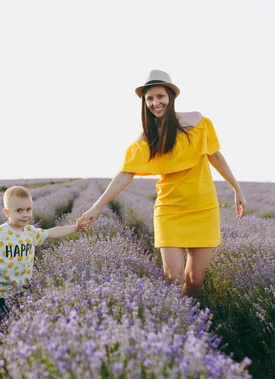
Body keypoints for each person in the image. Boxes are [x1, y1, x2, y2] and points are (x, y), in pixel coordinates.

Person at [77, 69, 246, 298]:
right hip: (169, 210)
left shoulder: (197, 122)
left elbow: (215, 156)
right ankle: (176, 324)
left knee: (195, 280)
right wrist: (97, 206)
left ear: (171, 96)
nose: (155, 103)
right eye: (150, 99)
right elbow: (125, 174)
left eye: (160, 96)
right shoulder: (147, 137)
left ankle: (190, 322)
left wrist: (237, 188)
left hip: (203, 207)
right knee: (172, 276)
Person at [0, 185, 86, 322]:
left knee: (16, 323)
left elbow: (52, 232)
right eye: (19, 210)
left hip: (20, 289)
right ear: (7, 213)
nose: (25, 214)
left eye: (28, 209)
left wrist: (74, 228)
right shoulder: (0, 233)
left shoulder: (30, 232)